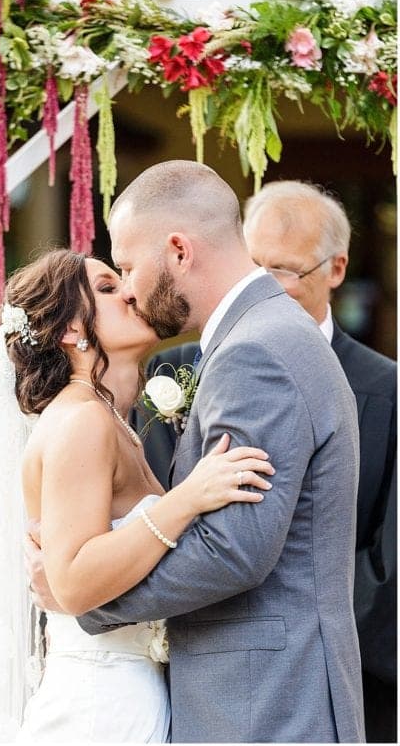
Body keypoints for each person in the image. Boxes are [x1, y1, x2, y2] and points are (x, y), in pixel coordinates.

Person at [25, 160, 363, 742]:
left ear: (179, 250)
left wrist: (87, 600)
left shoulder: (254, 352)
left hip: (268, 704)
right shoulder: (263, 335)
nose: (128, 288)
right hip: (247, 696)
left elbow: (234, 550)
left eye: (126, 267)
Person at [0, 249, 275, 742]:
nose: (131, 293)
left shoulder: (110, 421)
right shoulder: (81, 421)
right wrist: (188, 497)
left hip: (132, 693)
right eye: (108, 289)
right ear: (71, 330)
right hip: (99, 707)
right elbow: (71, 581)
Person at [136, 180, 396, 742]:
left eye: (285, 269)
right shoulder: (189, 365)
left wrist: (93, 590)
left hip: (276, 683)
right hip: (209, 670)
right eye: (256, 263)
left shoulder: (265, 353)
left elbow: (237, 550)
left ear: (335, 269)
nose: (265, 282)